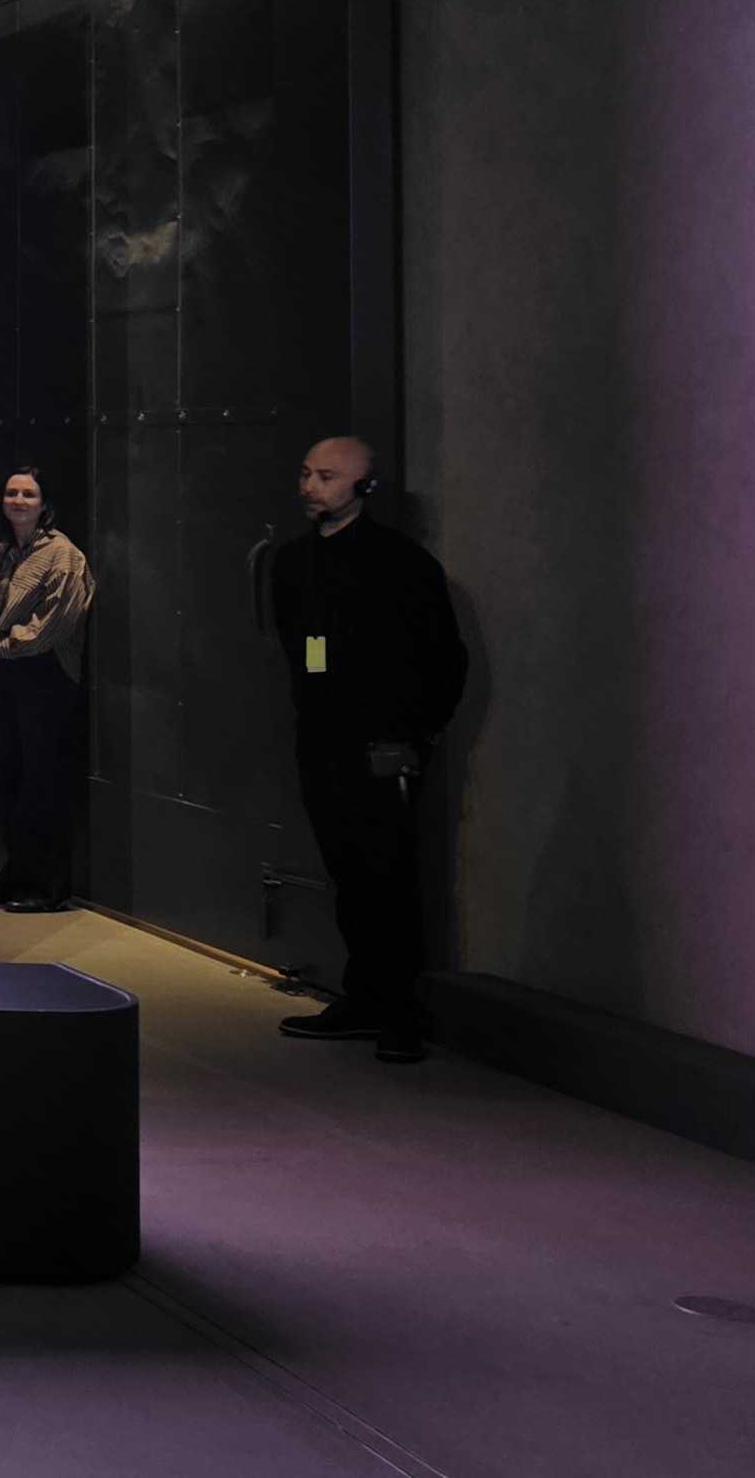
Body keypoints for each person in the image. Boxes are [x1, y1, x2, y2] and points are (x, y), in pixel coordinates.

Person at [268, 437, 468, 1064]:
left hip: (385, 743)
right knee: (349, 874)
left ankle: (399, 1012)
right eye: (305, 474)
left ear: (364, 488)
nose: (310, 487)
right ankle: (364, 998)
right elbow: (295, 646)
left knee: (388, 873)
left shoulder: (401, 564)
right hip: (323, 738)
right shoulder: (294, 562)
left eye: (326, 477)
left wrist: (416, 733)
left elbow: (443, 657)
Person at [0, 465, 95, 914]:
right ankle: (16, 874)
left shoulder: (63, 557)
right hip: (5, 676)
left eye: (28, 494)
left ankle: (49, 886)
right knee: (7, 779)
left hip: (46, 677)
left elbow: (51, 627)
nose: (18, 501)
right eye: (11, 493)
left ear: (44, 504)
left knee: (43, 783)